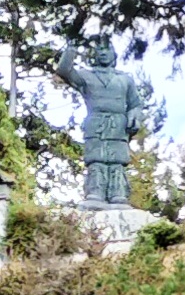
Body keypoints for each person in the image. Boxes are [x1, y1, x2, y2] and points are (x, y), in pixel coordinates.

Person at [55, 39, 143, 207]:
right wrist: (72, 46)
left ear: (114, 54)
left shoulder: (125, 79)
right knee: (96, 158)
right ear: (93, 55)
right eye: (99, 49)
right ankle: (95, 192)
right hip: (95, 121)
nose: (103, 52)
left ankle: (118, 193)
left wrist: (134, 116)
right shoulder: (86, 76)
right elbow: (64, 70)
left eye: (107, 49)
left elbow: (135, 104)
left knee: (117, 159)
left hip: (118, 124)